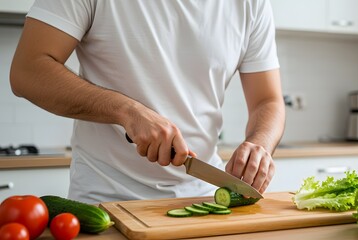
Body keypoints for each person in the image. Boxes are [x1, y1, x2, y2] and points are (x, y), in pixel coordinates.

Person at [10, 0, 285, 204]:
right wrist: (128, 111)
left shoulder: (251, 4)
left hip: (203, 197)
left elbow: (268, 100)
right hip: (107, 201)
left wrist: (260, 144)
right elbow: (27, 72)